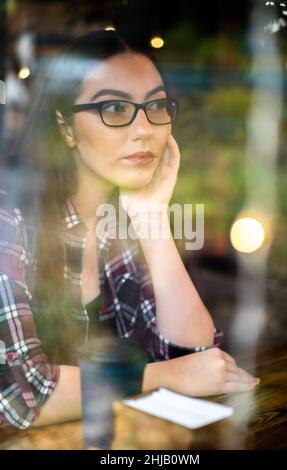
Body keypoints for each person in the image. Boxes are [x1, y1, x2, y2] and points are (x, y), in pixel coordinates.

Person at [0, 29, 259, 430]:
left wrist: (152, 217)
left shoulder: (119, 223)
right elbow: (20, 394)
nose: (144, 129)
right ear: (66, 128)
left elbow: (194, 355)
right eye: (115, 108)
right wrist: (162, 378)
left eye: (156, 105)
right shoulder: (9, 217)